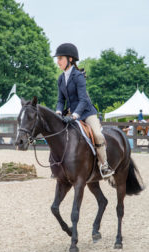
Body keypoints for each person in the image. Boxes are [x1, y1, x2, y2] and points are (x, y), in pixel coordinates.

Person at [53, 43, 114, 178]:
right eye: (57, 59)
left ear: (70, 59)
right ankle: (58, 165)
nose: (58, 62)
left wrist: (75, 115)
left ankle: (104, 165)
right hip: (71, 114)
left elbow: (83, 100)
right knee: (58, 133)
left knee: (97, 135)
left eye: (60, 58)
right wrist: (58, 112)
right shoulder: (61, 78)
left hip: (86, 113)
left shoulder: (78, 76)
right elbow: (60, 100)